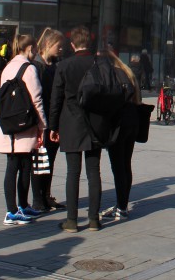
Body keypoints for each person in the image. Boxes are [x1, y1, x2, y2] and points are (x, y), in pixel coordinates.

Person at [49, 26, 110, 233]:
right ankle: (94, 219)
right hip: (95, 122)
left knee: (73, 172)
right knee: (94, 171)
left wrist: (53, 125)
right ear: (89, 43)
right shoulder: (100, 63)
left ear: (72, 44)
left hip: (71, 122)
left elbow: (56, 98)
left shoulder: (64, 65)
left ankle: (72, 221)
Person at [0, 34, 46, 225]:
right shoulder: (29, 69)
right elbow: (36, 99)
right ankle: (13, 210)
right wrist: (43, 126)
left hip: (9, 123)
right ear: (30, 48)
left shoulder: (8, 67)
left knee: (16, 164)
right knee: (21, 165)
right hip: (25, 124)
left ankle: (20, 207)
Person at [103, 51, 140, 221]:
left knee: (118, 166)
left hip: (118, 124)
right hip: (132, 121)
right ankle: (122, 204)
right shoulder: (127, 72)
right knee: (126, 164)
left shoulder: (112, 74)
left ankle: (122, 207)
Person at [32, 28, 66, 211]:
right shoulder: (37, 66)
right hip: (41, 120)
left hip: (53, 120)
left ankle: (46, 195)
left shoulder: (54, 65)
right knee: (40, 160)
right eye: (58, 46)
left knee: (49, 160)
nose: (61, 49)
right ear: (47, 44)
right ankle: (38, 199)